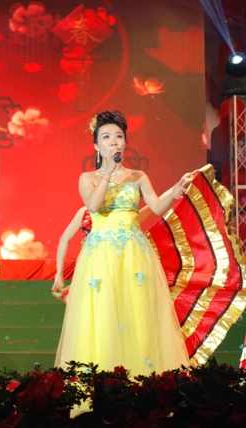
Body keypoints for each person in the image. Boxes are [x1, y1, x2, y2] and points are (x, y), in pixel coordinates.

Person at [54, 110, 192, 381]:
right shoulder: (88, 178)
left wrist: (174, 193)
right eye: (106, 137)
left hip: (134, 254)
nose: (113, 141)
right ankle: (102, 384)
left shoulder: (138, 176)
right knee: (103, 316)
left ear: (125, 142)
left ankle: (141, 384)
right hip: (100, 255)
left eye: (118, 136)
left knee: (137, 315)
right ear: (97, 146)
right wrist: (107, 172)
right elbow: (93, 205)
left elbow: (156, 207)